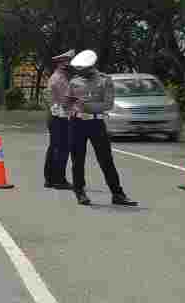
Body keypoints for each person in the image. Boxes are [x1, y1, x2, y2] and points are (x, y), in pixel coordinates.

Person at [66, 50, 138, 207]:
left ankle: (118, 194)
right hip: (77, 123)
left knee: (106, 160)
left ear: (90, 66)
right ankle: (80, 192)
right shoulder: (74, 82)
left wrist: (86, 106)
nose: (79, 70)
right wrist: (68, 105)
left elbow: (108, 104)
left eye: (82, 67)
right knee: (77, 160)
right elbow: (68, 102)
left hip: (96, 123)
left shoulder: (105, 80)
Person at [43, 49, 75, 190]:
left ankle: (50, 179)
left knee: (54, 148)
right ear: (63, 64)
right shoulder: (61, 79)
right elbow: (65, 100)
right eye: (69, 63)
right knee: (61, 149)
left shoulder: (57, 77)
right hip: (60, 117)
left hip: (56, 116)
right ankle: (59, 180)